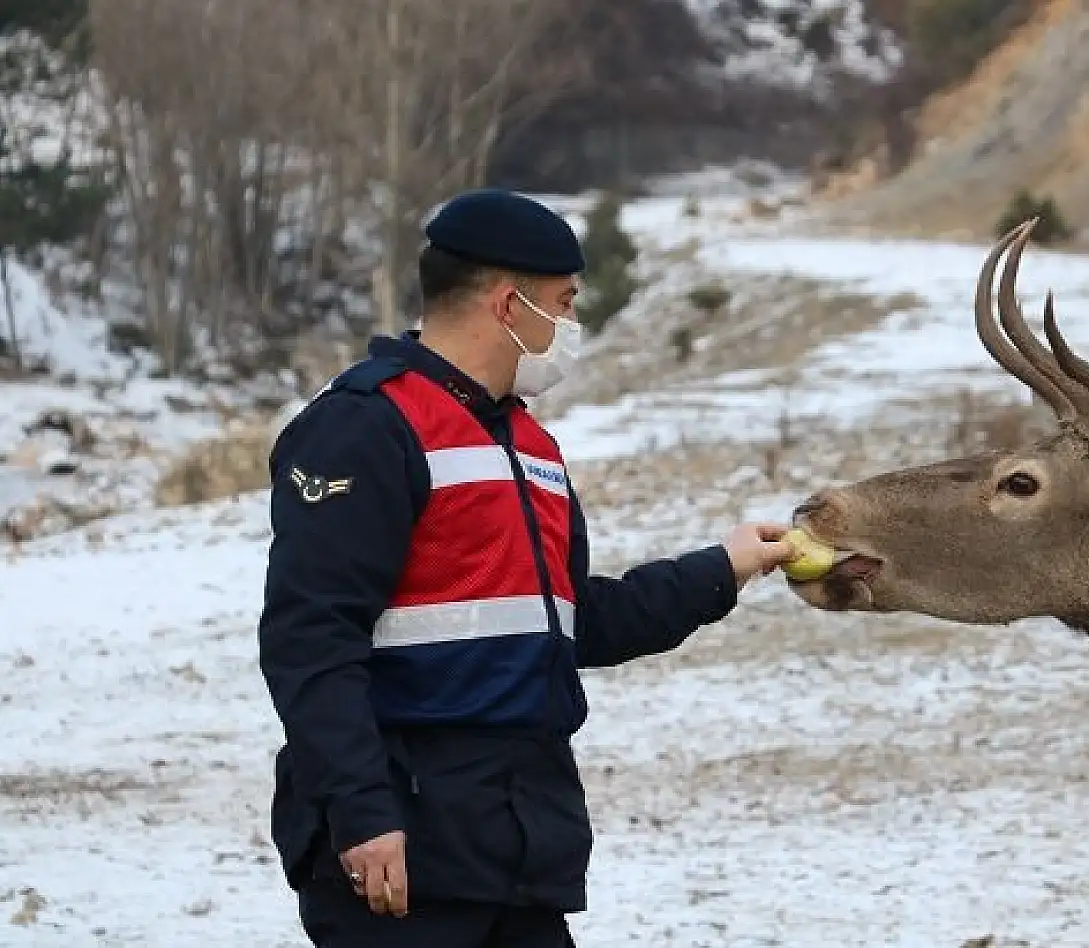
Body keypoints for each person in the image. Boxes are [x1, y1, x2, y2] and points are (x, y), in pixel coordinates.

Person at [257, 187, 795, 947]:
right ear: (511, 306)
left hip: (518, 847)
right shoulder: (362, 427)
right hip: (402, 855)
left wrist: (722, 569)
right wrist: (363, 812)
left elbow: (575, 621)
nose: (573, 326)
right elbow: (310, 639)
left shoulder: (529, 447)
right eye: (566, 303)